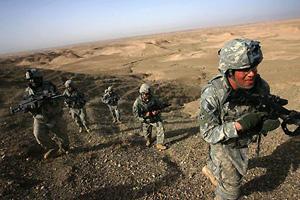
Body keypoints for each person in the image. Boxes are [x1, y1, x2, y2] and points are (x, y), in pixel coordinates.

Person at [199, 38, 280, 200]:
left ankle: (211, 169)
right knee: (231, 191)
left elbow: (261, 109)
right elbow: (208, 133)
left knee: (221, 166)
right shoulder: (213, 94)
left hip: (243, 140)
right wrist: (239, 125)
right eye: (244, 70)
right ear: (230, 71)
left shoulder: (261, 86)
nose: (252, 74)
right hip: (224, 143)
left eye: (254, 67)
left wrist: (264, 121)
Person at [23, 69, 70, 159]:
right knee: (38, 134)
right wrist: (29, 108)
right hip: (39, 117)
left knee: (61, 133)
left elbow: (60, 99)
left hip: (54, 115)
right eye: (30, 79)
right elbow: (26, 103)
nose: (32, 81)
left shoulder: (49, 86)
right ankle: (53, 147)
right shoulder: (28, 91)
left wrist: (50, 102)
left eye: (35, 79)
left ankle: (64, 148)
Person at [132, 83, 168, 151]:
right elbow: (136, 116)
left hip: (155, 118)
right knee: (146, 133)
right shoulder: (137, 103)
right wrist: (145, 116)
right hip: (145, 120)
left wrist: (157, 111)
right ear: (142, 94)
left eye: (148, 93)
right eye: (146, 94)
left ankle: (159, 144)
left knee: (160, 128)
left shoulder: (153, 98)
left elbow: (160, 105)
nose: (148, 95)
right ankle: (149, 140)